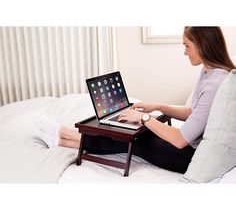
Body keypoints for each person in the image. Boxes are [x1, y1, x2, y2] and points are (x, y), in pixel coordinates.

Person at [35, 27, 235, 174]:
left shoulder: (215, 83)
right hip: (191, 146)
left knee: (134, 141)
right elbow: (194, 112)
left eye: (187, 46)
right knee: (136, 134)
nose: (184, 52)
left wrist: (144, 119)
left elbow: (181, 139)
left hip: (190, 157)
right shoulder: (210, 71)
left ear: (202, 45)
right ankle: (63, 138)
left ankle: (63, 136)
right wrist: (158, 106)